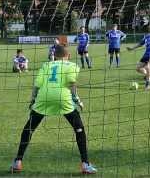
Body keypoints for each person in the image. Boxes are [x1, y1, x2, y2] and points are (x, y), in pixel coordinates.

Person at [10, 45, 97, 174]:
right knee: (79, 129)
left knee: (29, 128)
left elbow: (36, 85)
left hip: (44, 97)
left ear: (54, 56)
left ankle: (17, 161)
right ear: (68, 56)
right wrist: (77, 100)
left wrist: (33, 100)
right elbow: (72, 83)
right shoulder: (71, 65)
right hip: (62, 98)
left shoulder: (46, 65)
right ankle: (85, 164)